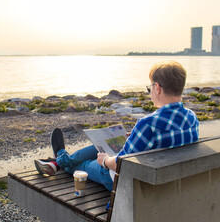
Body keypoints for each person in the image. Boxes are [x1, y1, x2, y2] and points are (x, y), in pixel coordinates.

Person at [34, 61, 199, 192]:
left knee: (82, 166)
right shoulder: (191, 117)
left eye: (150, 88)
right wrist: (134, 136)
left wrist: (105, 161)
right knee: (103, 144)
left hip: (122, 180)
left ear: (157, 88)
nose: (150, 92)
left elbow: (121, 164)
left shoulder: (148, 124)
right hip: (164, 178)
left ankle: (60, 160)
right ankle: (58, 161)